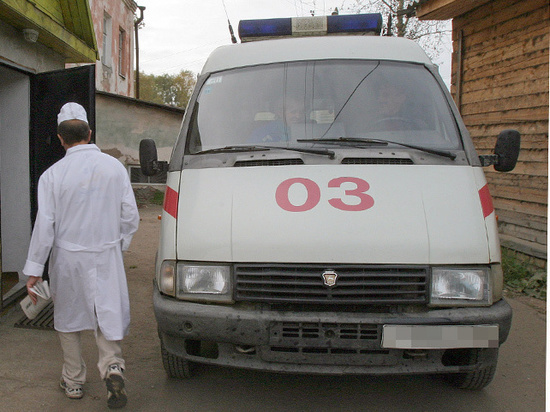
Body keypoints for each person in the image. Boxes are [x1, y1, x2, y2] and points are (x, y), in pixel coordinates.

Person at [23, 102, 140, 409]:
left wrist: (34, 270)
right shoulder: (114, 168)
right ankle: (112, 368)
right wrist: (117, 245)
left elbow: (45, 226)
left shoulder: (52, 176)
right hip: (105, 254)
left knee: (68, 317)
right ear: (89, 133)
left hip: (68, 258)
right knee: (106, 312)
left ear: (60, 139)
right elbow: (130, 216)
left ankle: (73, 381)